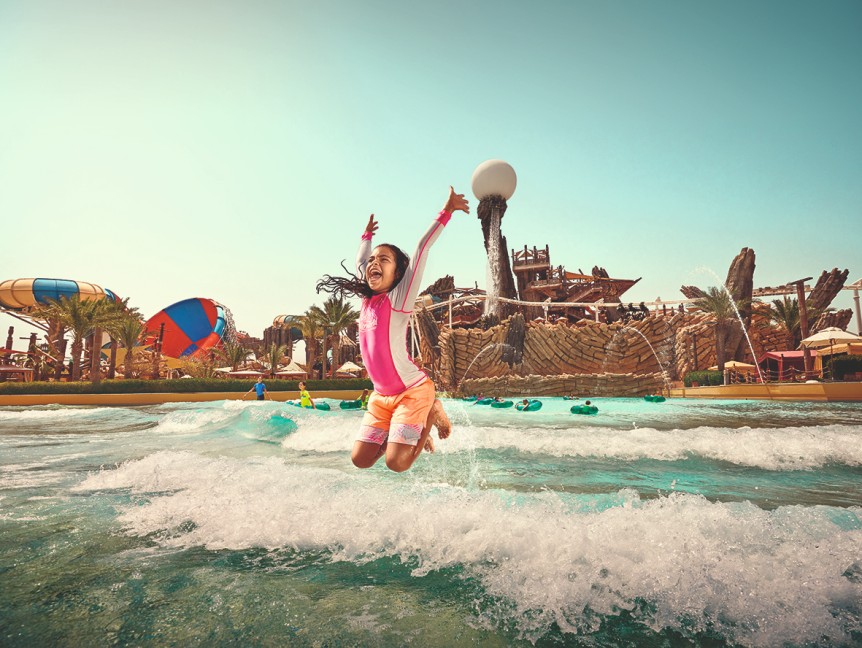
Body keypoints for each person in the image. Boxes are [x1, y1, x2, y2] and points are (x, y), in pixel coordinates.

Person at [316, 186, 467, 472]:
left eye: (384, 260)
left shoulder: (399, 298)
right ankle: (403, 433)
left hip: (413, 391)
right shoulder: (367, 297)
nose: (374, 263)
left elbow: (422, 248)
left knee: (397, 463)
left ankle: (430, 414)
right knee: (360, 460)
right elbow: (362, 259)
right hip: (381, 396)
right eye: (373, 260)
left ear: (397, 274)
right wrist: (366, 237)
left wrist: (446, 211)